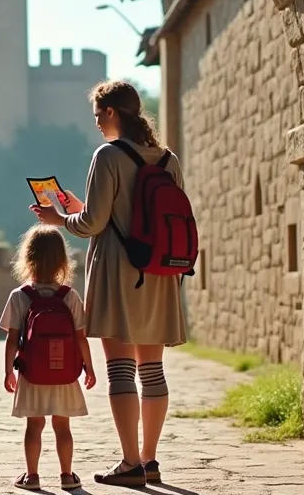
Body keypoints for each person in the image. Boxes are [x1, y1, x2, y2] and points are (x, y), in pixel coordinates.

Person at [30, 79, 186, 487]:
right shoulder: (168, 159)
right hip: (160, 270)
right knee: (152, 369)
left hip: (119, 270)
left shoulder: (108, 156)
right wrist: (83, 210)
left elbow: (91, 225)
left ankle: (130, 463)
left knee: (119, 367)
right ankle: (150, 460)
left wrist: (58, 219)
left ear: (113, 112)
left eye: (99, 114)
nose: (97, 122)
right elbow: (134, 214)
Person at [0, 224, 97, 491]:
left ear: (28, 258)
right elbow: (80, 338)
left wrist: (9, 371)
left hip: (33, 374)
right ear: (62, 261)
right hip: (65, 375)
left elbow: (12, 340)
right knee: (62, 427)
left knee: (34, 426)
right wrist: (89, 368)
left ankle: (32, 476)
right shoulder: (70, 296)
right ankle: (67, 476)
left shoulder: (20, 296)